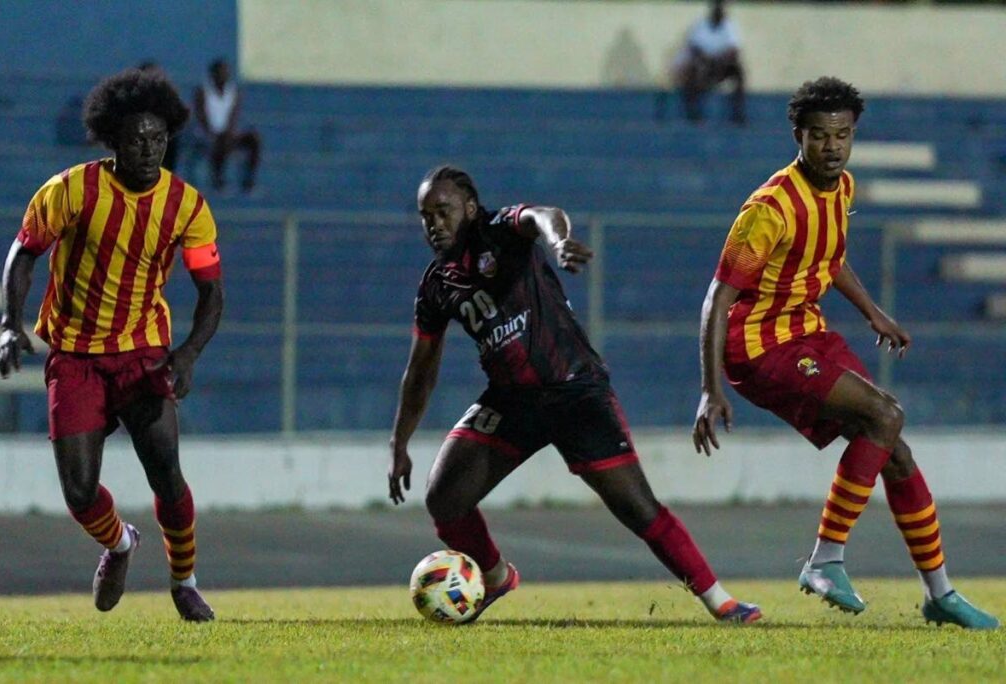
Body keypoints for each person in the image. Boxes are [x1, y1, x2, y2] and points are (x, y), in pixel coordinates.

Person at [388, 165, 761, 624]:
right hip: (511, 402)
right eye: (426, 216)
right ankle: (496, 576)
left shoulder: (498, 230)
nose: (434, 224)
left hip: (575, 390)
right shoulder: (435, 285)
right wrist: (399, 442)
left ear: (468, 207)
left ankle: (721, 602)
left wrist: (559, 240)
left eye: (442, 212)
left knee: (637, 508)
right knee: (444, 497)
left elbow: (543, 215)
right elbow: (421, 369)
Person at [692, 77, 998, 629]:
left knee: (892, 447)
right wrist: (711, 389)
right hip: (760, 345)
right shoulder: (769, 208)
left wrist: (872, 312)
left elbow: (827, 259)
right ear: (798, 136)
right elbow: (718, 296)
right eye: (819, 136)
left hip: (807, 333)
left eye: (842, 135)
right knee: (885, 414)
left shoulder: (843, 187)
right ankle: (825, 560)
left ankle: (940, 593)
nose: (832, 147)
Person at [0, 68, 224, 622]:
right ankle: (121, 543)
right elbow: (24, 254)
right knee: (78, 492)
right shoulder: (71, 190)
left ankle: (184, 583)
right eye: (137, 139)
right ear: (113, 141)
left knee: (166, 474)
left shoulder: (188, 206)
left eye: (159, 138)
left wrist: (188, 354)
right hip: (74, 356)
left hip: (144, 355)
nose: (150, 149)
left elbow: (210, 294)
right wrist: (10, 323)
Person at [672, 0, 746, 124]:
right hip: (702, 65)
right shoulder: (700, 25)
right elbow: (694, 49)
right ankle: (694, 113)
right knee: (694, 70)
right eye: (717, 9)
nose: (719, 12)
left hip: (721, 65)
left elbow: (734, 50)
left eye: (721, 10)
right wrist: (708, 60)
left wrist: (720, 60)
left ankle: (738, 113)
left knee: (738, 71)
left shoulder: (729, 26)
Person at [193, 58, 261, 194]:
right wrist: (212, 133)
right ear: (213, 74)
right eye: (221, 72)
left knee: (254, 138)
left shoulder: (234, 92)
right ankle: (218, 178)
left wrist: (230, 132)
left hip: (226, 134)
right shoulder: (202, 91)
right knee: (222, 139)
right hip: (206, 134)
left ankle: (248, 179)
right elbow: (201, 116)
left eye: (226, 72)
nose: (224, 75)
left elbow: (233, 117)